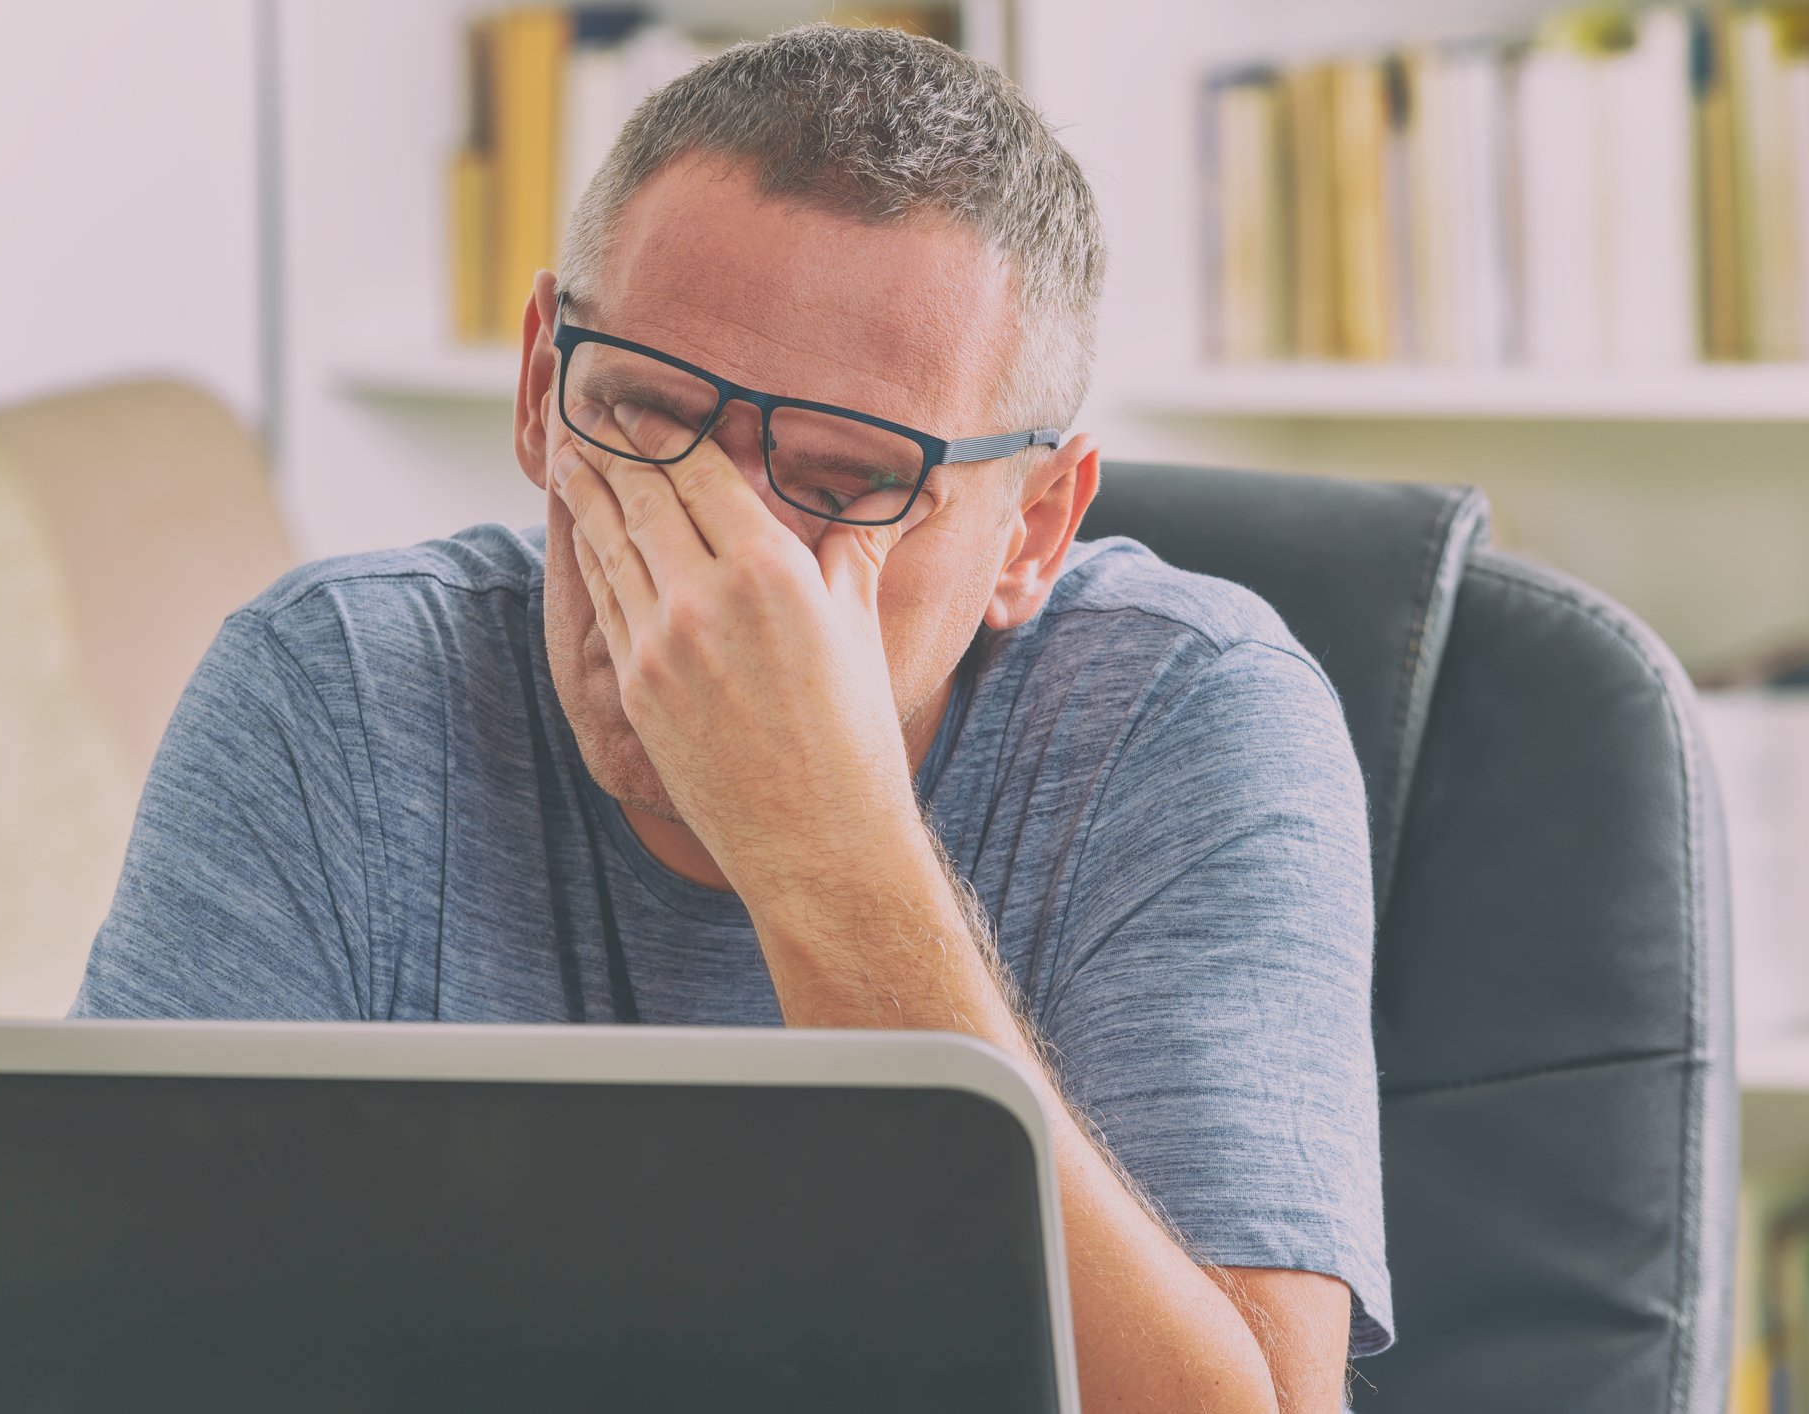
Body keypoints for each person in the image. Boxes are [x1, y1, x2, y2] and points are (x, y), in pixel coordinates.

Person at [69, 23, 1390, 1411]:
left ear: (1034, 526)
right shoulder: (331, 691)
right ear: (537, 388)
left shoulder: (1188, 723)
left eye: (842, 479)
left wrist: (827, 846)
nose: (720, 566)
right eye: (643, 417)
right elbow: (77, 1334)